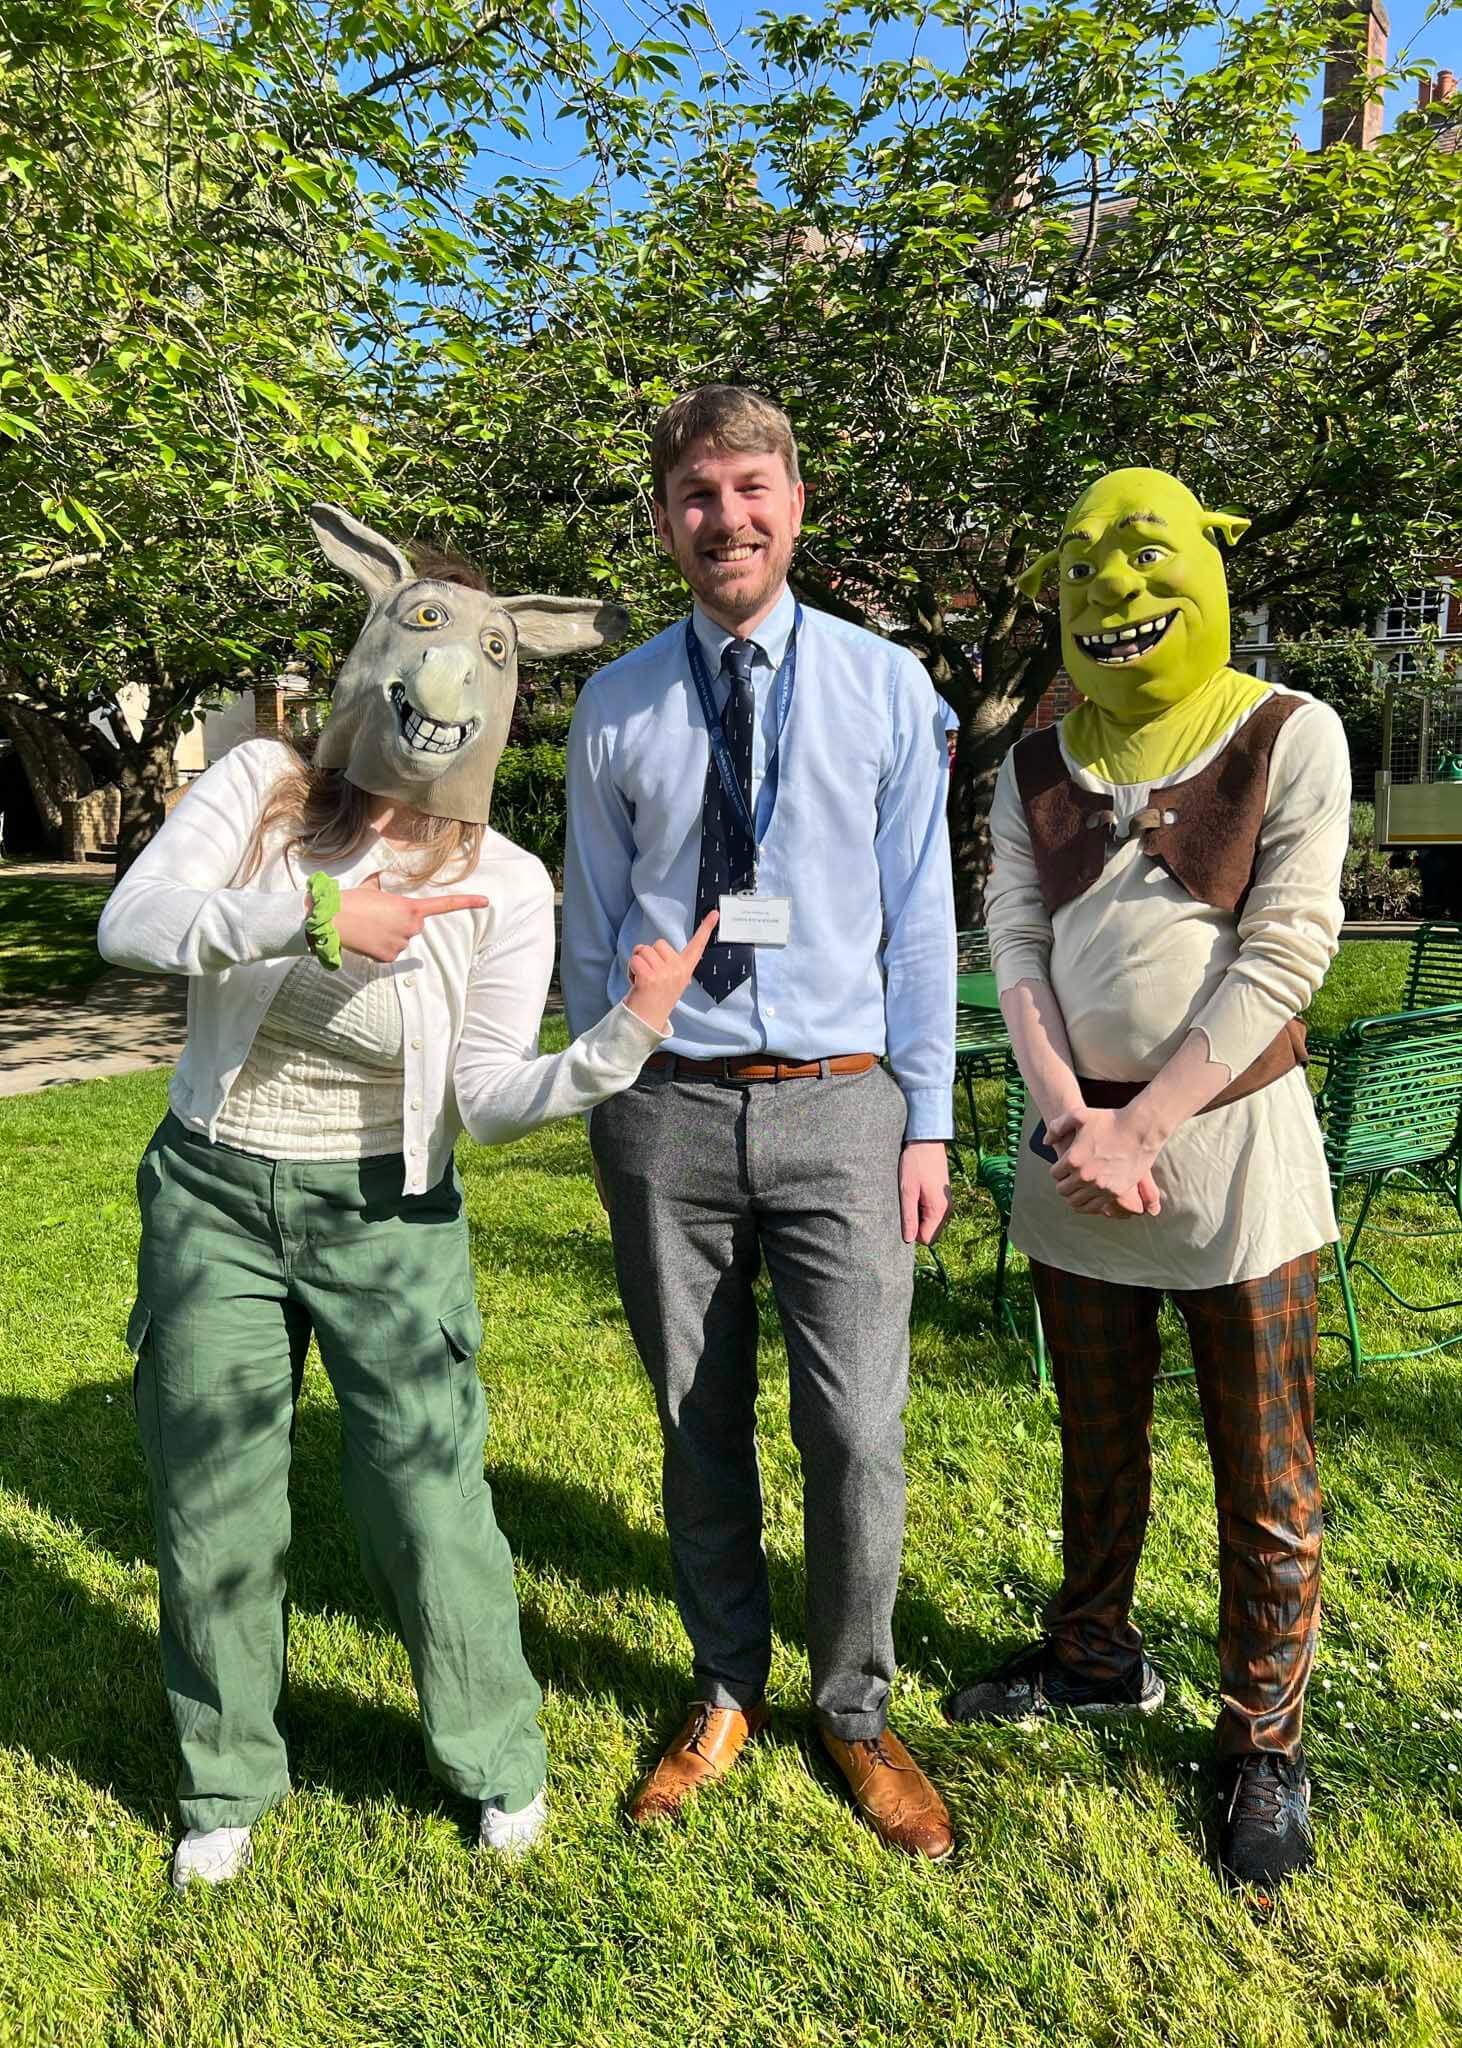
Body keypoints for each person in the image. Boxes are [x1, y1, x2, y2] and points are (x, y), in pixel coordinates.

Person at [98, 503, 713, 1890]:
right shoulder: (259, 786)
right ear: (373, 650)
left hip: (389, 1215)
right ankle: (224, 1781)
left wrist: (616, 1043)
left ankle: (494, 1757)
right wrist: (308, 914)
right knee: (214, 1502)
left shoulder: (504, 879)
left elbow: (488, 1099)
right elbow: (129, 927)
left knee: (429, 1503)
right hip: (215, 1192)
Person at [561, 385, 958, 1860]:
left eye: (747, 488)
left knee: (855, 1427)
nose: (722, 518)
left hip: (843, 1108)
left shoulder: (884, 685)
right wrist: (605, 1083)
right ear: (664, 520)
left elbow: (923, 914)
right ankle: (725, 1684)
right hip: (665, 1116)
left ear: (795, 501)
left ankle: (852, 1704)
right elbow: (594, 930)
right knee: (694, 1418)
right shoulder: (617, 704)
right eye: (693, 495)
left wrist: (922, 1118)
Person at [944, 467, 1349, 1900]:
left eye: (1143, 552)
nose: (1110, 588)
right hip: (1078, 1165)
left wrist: (1144, 1122)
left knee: (1265, 1472)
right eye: (1077, 561)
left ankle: (1262, 1738)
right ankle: (1094, 1657)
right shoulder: (1034, 761)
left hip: (1233, 1167)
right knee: (1096, 1444)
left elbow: (1286, 952)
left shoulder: (1290, 732)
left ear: (1207, 562)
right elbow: (1010, 945)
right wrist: (1070, 1116)